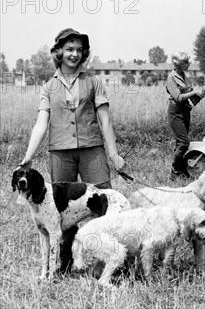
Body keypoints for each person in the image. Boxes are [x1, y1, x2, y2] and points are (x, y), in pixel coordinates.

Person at [18, 27, 126, 271]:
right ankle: (64, 264)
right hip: (60, 153)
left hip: (92, 151)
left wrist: (113, 154)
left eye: (79, 49)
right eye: (69, 49)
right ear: (58, 52)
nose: (74, 54)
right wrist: (28, 156)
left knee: (105, 206)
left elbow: (105, 120)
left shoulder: (93, 82)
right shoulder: (48, 87)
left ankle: (112, 263)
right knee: (61, 211)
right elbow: (41, 123)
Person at [165, 51, 205, 180]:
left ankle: (180, 171)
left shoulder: (184, 76)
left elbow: (191, 98)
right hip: (176, 111)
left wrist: (204, 91)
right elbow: (178, 97)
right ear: (177, 63)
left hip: (185, 110)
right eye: (185, 62)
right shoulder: (171, 78)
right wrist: (195, 91)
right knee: (184, 143)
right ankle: (174, 171)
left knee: (180, 144)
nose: (188, 63)